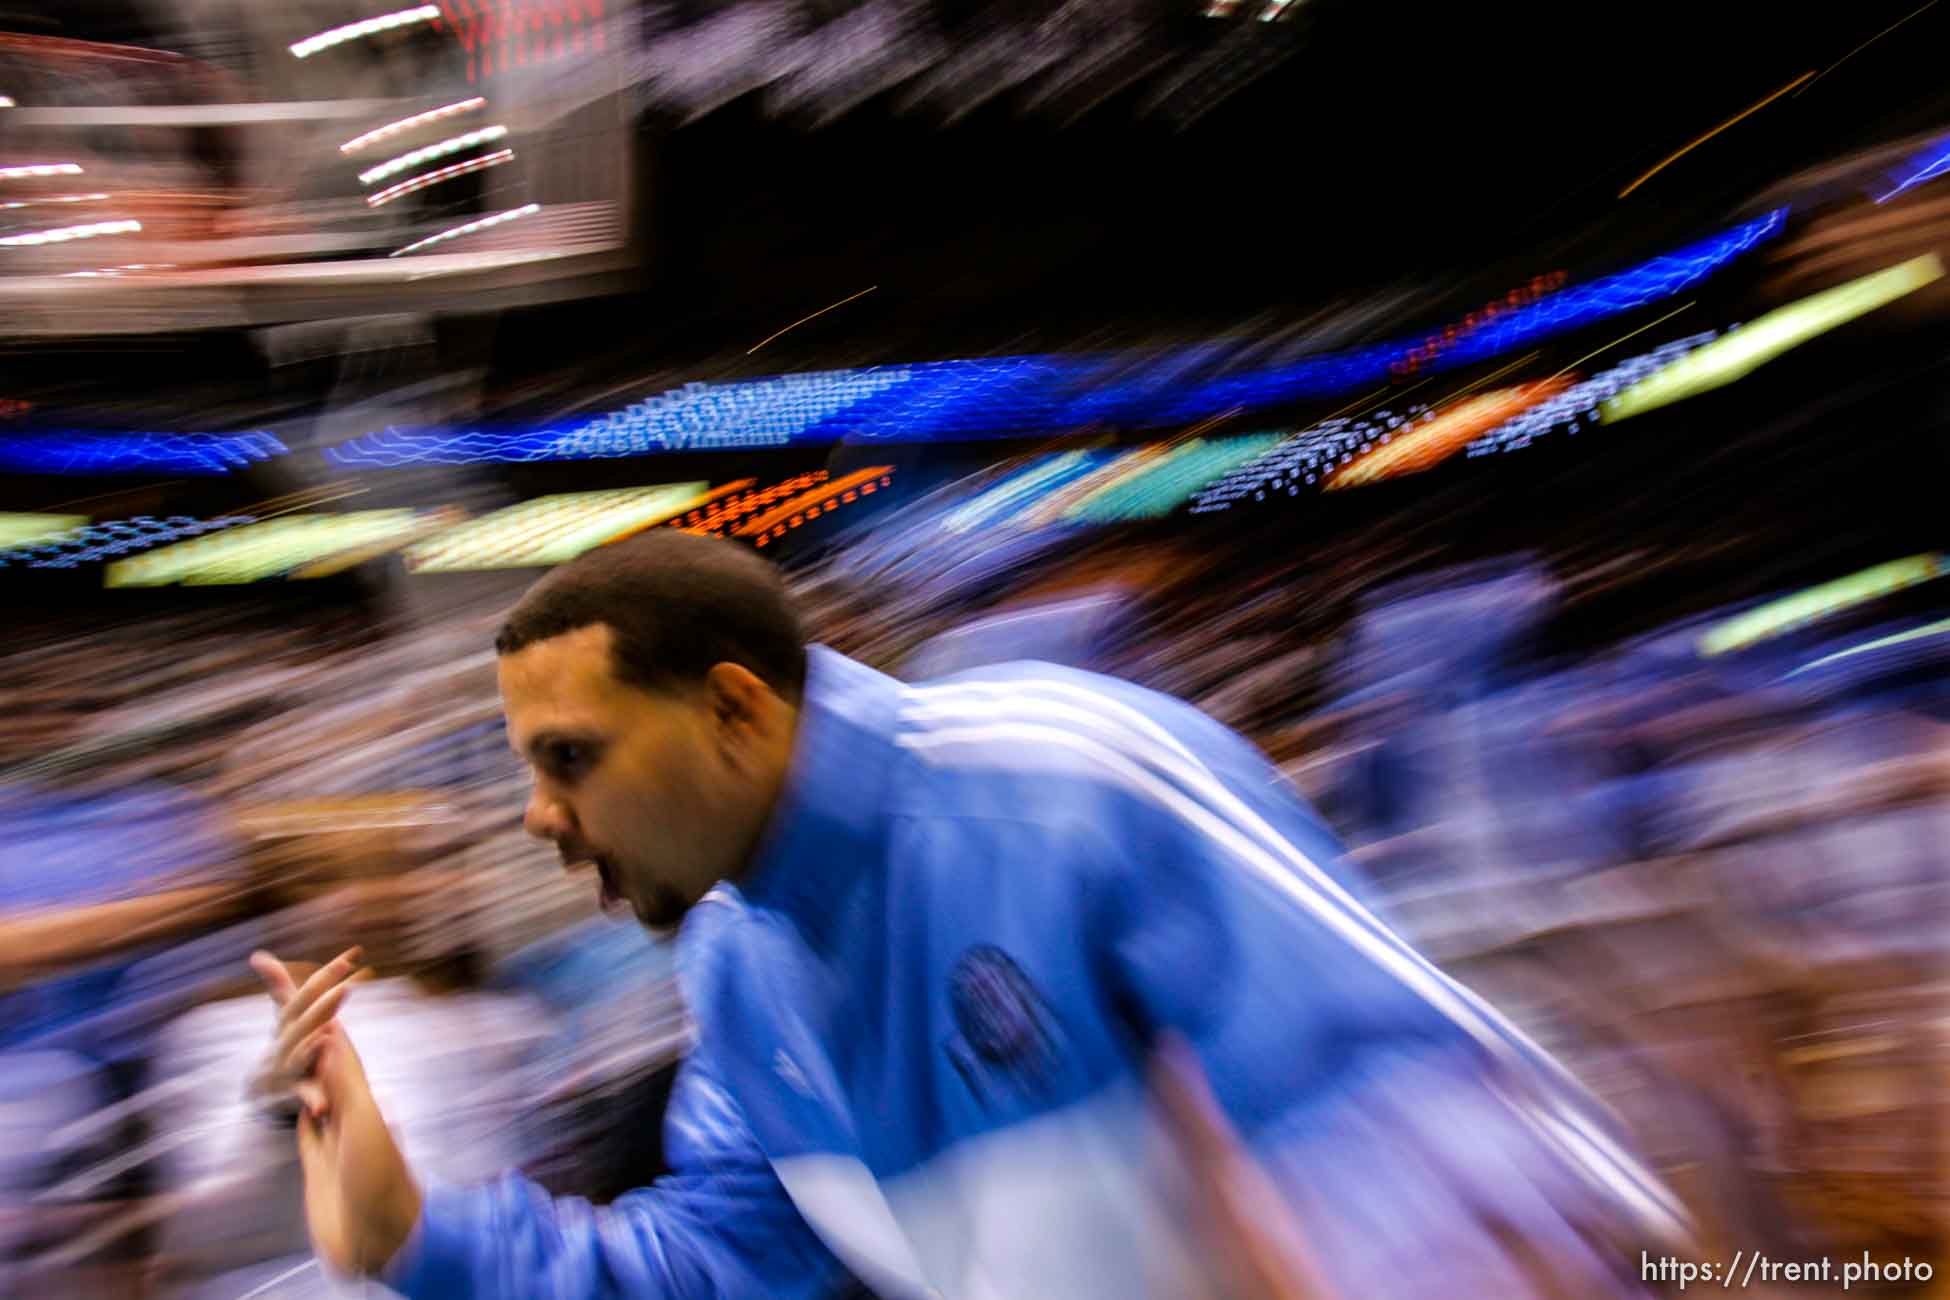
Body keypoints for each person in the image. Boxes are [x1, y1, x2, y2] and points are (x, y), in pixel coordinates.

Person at [250, 530, 1692, 1300]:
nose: (538, 817)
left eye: (571, 761)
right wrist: (412, 1239)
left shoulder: (1061, 781)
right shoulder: (744, 977)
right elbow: (718, 1268)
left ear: (735, 712)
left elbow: (1422, 1120)